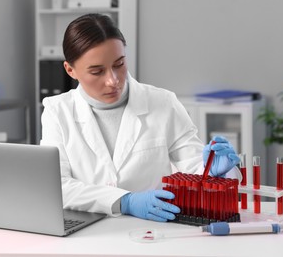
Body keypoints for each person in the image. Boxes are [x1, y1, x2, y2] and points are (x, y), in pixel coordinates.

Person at [40, 13, 241, 222]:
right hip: (88, 231)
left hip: (153, 229)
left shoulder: (162, 103)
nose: (113, 80)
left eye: (119, 64)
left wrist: (214, 171)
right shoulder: (57, 111)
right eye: (97, 71)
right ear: (70, 70)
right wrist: (125, 201)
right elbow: (57, 186)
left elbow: (196, 170)